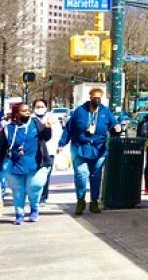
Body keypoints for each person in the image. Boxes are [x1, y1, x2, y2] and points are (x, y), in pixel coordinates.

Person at [57, 87, 120, 215]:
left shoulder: (105, 111)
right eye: (94, 97)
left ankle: (94, 201)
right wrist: (61, 143)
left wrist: (117, 127)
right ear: (90, 98)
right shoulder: (79, 111)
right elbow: (69, 128)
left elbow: (113, 124)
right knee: (81, 174)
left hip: (99, 149)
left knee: (95, 176)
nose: (97, 100)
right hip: (80, 147)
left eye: (99, 98)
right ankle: (80, 200)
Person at [0, 103, 51, 224]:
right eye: (24, 111)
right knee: (18, 190)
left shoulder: (35, 123)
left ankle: (34, 209)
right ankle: (19, 214)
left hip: (35, 163)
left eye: (28, 110)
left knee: (34, 187)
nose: (28, 112)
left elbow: (45, 137)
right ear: (17, 114)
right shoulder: (8, 128)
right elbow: (2, 146)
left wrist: (48, 128)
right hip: (14, 164)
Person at [32, 98, 60, 204]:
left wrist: (58, 146)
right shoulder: (31, 119)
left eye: (42, 106)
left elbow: (57, 133)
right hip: (36, 151)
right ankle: (35, 195)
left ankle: (43, 196)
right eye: (37, 107)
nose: (40, 109)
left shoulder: (53, 118)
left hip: (49, 151)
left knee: (46, 175)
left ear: (46, 108)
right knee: (35, 175)